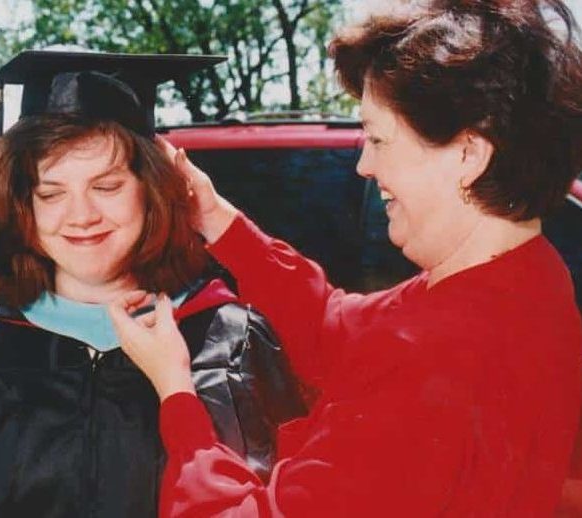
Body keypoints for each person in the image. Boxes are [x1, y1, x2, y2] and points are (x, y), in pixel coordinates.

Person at [108, 0, 582, 516]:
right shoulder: (525, 278)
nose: (364, 164)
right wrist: (216, 217)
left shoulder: (437, 359)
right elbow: (340, 332)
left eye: (378, 138)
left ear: (469, 154)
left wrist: (176, 391)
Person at [0, 51, 305, 517]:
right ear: (21, 207)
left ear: (151, 191)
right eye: (50, 194)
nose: (82, 216)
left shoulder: (231, 341)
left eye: (107, 187)